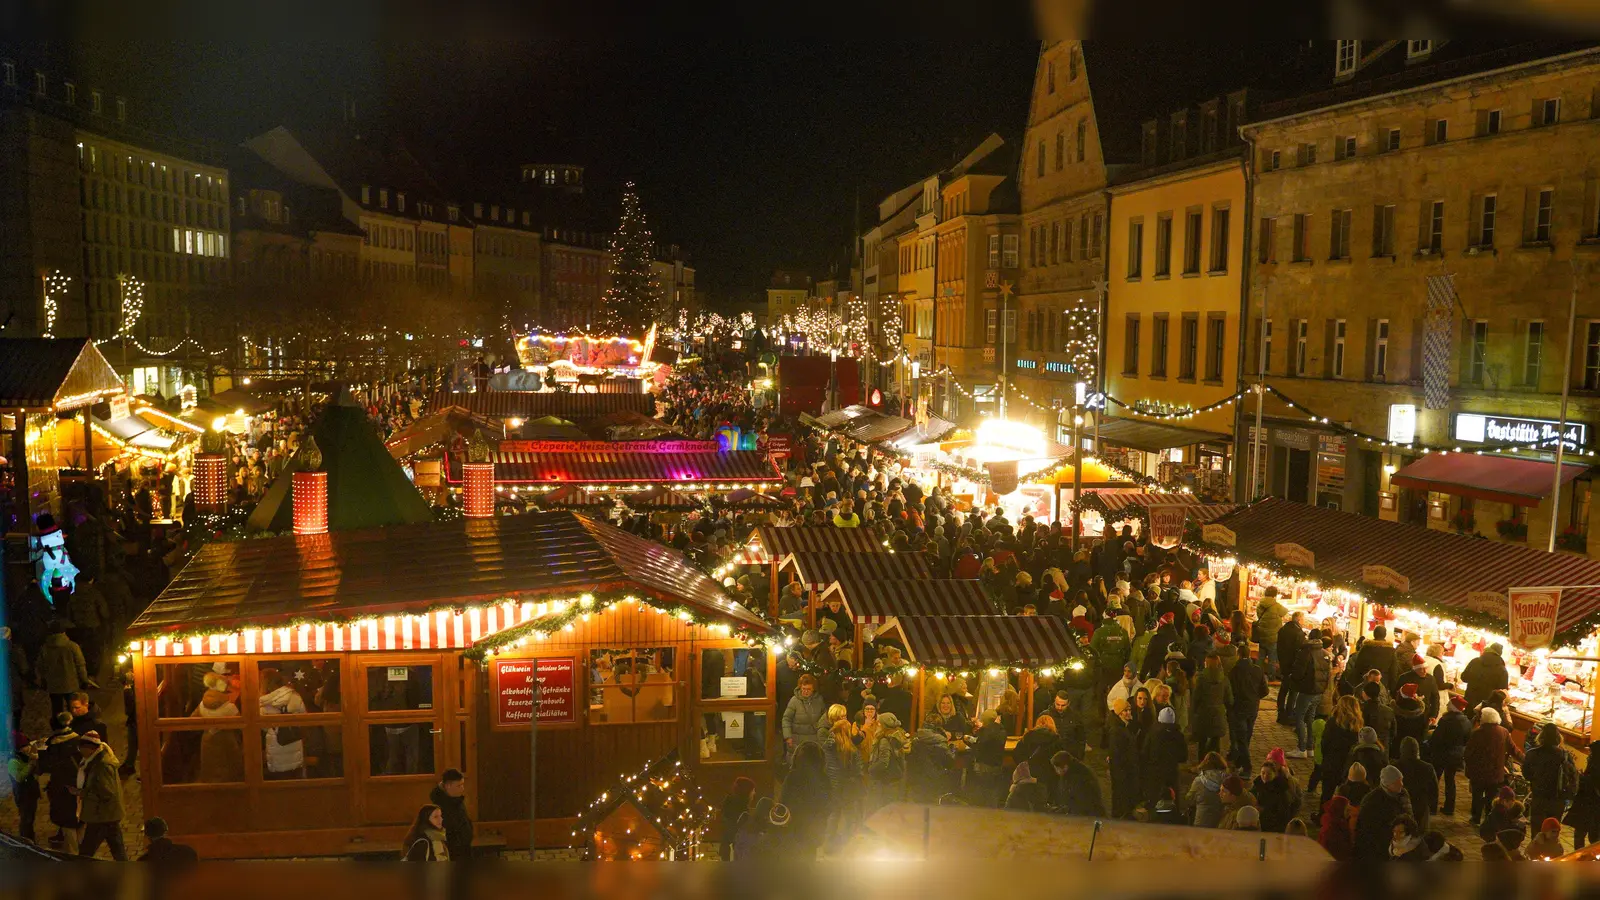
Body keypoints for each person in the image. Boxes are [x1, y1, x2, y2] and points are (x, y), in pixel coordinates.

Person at [1464, 707, 1522, 826]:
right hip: (1496, 773)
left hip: (1478, 772)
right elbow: (1513, 750)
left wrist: (1468, 768)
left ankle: (1475, 818)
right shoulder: (1504, 732)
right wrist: (1525, 760)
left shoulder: (1477, 732)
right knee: (1491, 797)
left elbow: (1468, 753)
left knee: (1477, 796)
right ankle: (1489, 818)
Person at [75, 734, 126, 860]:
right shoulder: (95, 761)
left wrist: (83, 793)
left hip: (101, 815)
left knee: (86, 852)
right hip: (107, 815)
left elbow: (107, 792)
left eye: (81, 748)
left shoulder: (101, 765)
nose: (79, 751)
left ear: (90, 748)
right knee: (117, 849)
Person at [1522, 722, 1578, 830]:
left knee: (1537, 830)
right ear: (1558, 737)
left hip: (1539, 797)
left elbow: (1526, 774)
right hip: (1557, 799)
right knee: (1552, 830)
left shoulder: (1532, 754)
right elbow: (1573, 775)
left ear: (1541, 736)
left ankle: (1538, 846)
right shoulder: (1564, 755)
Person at [1351, 765, 1413, 861]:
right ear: (1387, 784)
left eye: (1401, 780)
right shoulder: (1371, 801)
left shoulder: (1403, 794)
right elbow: (1368, 830)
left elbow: (1409, 816)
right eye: (1397, 782)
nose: (1401, 784)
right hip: (1378, 849)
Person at [781, 742, 832, 857]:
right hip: (814, 828)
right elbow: (828, 804)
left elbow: (783, 802)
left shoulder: (792, 777)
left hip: (795, 828)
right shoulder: (823, 778)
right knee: (810, 858)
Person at [1426, 695, 1472, 817]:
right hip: (1456, 755)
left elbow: (1437, 738)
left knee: (1435, 779)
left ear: (1452, 707)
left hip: (1442, 754)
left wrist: (1430, 746)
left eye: (1448, 704)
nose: (1446, 706)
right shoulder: (1467, 721)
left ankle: (1432, 806)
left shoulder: (1446, 720)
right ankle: (1449, 807)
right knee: (1450, 780)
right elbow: (1467, 739)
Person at [1287, 634, 1330, 758]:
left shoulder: (1305, 653)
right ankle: (1310, 747)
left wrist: (1293, 680)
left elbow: (1298, 672)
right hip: (1319, 691)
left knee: (1299, 717)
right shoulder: (1325, 653)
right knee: (1310, 717)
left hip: (1307, 690)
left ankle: (1301, 748)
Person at [1227, 648, 1268, 772]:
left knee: (1241, 738)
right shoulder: (1257, 670)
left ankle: (1246, 766)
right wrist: (1255, 697)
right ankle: (1239, 761)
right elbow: (1265, 690)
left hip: (1239, 708)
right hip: (1252, 707)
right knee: (1247, 735)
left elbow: (1230, 692)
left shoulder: (1234, 672)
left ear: (1238, 655)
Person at [1143, 706, 1189, 814]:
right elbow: (1183, 757)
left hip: (1155, 771)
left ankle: (1155, 817)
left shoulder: (1152, 733)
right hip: (1172, 771)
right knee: (1172, 797)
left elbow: (1145, 752)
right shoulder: (1178, 735)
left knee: (1155, 796)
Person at [38, 625, 90, 716]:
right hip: (70, 683)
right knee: (73, 707)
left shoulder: (45, 648)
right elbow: (80, 665)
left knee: (56, 709)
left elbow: (41, 666)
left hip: (53, 684)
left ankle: (59, 727)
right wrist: (84, 679)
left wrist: (43, 680)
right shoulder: (72, 646)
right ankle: (73, 725)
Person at [1188, 653, 1232, 760]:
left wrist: (1192, 715)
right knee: (1215, 741)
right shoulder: (1224, 679)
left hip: (1203, 714)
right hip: (1218, 714)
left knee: (1202, 742)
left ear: (1206, 664)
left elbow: (1196, 698)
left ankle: (1202, 764)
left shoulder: (1201, 679)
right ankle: (1214, 764)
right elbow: (1229, 700)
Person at [907, 712, 957, 803]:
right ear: (939, 726)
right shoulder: (940, 741)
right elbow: (949, 762)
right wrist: (953, 749)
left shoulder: (915, 739)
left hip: (917, 780)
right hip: (935, 780)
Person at [866, 713, 908, 813]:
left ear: (882, 725)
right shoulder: (896, 737)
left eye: (879, 723)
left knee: (883, 809)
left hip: (886, 779)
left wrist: (870, 769)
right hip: (894, 777)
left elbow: (883, 762)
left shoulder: (884, 740)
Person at [1395, 736, 1438, 834]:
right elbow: (1433, 789)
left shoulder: (1395, 766)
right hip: (1421, 805)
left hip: (1401, 805)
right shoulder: (1427, 767)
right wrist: (1432, 806)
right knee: (1421, 833)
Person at [1251, 752, 1302, 833]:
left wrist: (1264, 810)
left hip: (1275, 826)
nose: (1265, 776)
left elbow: (1282, 812)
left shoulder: (1282, 788)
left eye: (1269, 774)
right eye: (1263, 773)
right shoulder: (1257, 783)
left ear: (1275, 774)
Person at [1106, 698, 1139, 819]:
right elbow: (1116, 753)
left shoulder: (1123, 727)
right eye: (1125, 711)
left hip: (1124, 769)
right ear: (1120, 713)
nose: (1128, 713)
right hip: (1122, 771)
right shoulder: (1117, 730)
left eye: (1129, 710)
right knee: (1121, 796)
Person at [430, 768, 473, 861]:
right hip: (451, 853)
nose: (462, 788)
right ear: (448, 786)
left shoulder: (457, 800)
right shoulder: (438, 805)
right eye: (459, 786)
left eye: (463, 785)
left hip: (463, 850)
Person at [1050, 749, 1106, 817]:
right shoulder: (1071, 772)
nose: (1056, 771)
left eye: (1057, 769)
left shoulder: (1079, 777)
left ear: (1065, 767)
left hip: (1089, 815)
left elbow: (1082, 802)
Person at [1343, 625, 1399, 691]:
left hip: (1365, 682)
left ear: (1374, 634)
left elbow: (1358, 667)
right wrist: (1392, 690)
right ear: (1385, 635)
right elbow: (1393, 672)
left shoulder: (1366, 648)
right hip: (1382, 684)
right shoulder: (1391, 651)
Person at [1275, 612, 1308, 726]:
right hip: (1293, 666)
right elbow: (1299, 651)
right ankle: (1289, 714)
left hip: (1284, 664)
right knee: (1293, 691)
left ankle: (1280, 713)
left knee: (1283, 690)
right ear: (1299, 619)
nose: (1304, 621)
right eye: (1303, 619)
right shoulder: (1299, 633)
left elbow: (1278, 647)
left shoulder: (1283, 629)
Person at [1565, 747, 1600, 850]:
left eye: (1591, 754)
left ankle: (1581, 857)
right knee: (1593, 836)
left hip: (1586, 807)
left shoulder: (1593, 768)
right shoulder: (1593, 767)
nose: (1588, 757)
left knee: (1582, 834)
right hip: (1591, 809)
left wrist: (1580, 778)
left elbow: (1588, 785)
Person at [782, 675, 826, 755]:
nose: (806, 691)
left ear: (813, 689)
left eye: (808, 689)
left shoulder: (819, 700)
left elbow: (824, 718)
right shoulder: (794, 701)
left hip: (815, 738)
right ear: (800, 688)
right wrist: (788, 736)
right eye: (804, 689)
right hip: (797, 739)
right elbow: (786, 719)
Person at [1461, 643, 1510, 713]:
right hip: (1486, 706)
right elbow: (1502, 692)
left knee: (1466, 720)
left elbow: (1464, 677)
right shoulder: (1502, 670)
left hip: (1469, 699)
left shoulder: (1475, 661)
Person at [1185, 751, 1228, 828]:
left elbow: (1189, 800)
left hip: (1201, 822)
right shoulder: (1227, 780)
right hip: (1222, 823)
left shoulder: (1199, 781)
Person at [1253, 587, 1286, 681]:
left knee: (1261, 657)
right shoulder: (1276, 605)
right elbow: (1285, 612)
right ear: (1275, 594)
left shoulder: (1260, 604)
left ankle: (1257, 676)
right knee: (1272, 659)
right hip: (1273, 636)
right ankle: (1271, 677)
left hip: (1262, 634)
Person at [719, 776, 756, 861]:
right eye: (753, 790)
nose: (754, 793)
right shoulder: (741, 812)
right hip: (736, 852)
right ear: (747, 792)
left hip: (727, 850)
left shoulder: (730, 807)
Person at [1391, 683, 1430, 760]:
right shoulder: (1422, 710)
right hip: (1415, 743)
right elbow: (1424, 728)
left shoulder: (1394, 708)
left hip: (1398, 743)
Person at [1358, 682, 1394, 752]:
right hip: (1384, 747)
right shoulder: (1389, 710)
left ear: (1365, 694)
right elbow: (1393, 731)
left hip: (1365, 748)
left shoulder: (1361, 710)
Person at [1318, 794, 1355, 861]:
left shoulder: (1335, 822)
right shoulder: (1333, 829)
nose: (1349, 812)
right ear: (1340, 809)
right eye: (1347, 809)